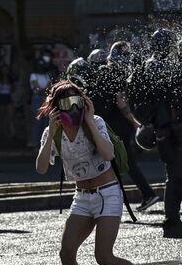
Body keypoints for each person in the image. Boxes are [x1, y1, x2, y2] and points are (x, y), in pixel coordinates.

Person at [35, 80, 178, 265]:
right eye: (65, 103)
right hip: (82, 196)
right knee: (66, 252)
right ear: (55, 107)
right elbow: (42, 167)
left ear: (84, 103)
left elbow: (109, 154)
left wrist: (89, 121)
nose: (72, 108)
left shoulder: (96, 122)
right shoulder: (53, 132)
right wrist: (50, 131)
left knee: (103, 256)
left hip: (108, 193)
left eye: (76, 101)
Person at [68, 46, 161, 212]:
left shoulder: (104, 78)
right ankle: (126, 198)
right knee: (117, 163)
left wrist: (134, 122)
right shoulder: (112, 75)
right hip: (117, 125)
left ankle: (143, 194)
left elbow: (119, 102)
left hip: (115, 127)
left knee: (122, 162)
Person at [127, 29, 182, 238]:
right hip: (170, 129)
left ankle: (173, 220)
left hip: (169, 128)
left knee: (176, 176)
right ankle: (171, 222)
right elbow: (168, 92)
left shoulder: (151, 66)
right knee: (177, 176)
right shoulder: (158, 67)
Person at [28, 53, 53, 148]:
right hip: (37, 99)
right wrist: (43, 89)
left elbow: (48, 88)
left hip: (45, 99)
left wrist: (42, 89)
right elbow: (36, 88)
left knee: (45, 122)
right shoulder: (33, 75)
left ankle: (43, 143)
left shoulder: (47, 75)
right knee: (37, 122)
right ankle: (35, 143)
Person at [0, 65, 15, 140]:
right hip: (1, 97)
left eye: (6, 69)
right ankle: (1, 132)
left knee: (10, 117)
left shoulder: (10, 79)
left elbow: (12, 90)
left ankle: (12, 134)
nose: (5, 71)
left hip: (8, 97)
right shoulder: (0, 79)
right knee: (1, 117)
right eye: (4, 69)